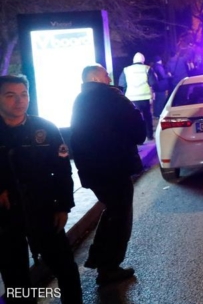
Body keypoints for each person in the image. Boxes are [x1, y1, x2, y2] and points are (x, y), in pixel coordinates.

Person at [0, 75, 83, 304]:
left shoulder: (44, 128)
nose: (19, 101)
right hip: (6, 216)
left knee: (65, 268)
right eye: (10, 95)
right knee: (14, 276)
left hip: (43, 208)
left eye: (23, 94)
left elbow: (63, 170)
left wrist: (64, 206)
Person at [70, 65, 146, 286]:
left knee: (112, 210)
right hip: (115, 167)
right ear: (95, 77)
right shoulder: (112, 97)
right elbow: (139, 131)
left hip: (94, 169)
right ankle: (109, 267)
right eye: (105, 75)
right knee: (120, 217)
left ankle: (99, 258)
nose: (109, 78)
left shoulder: (80, 99)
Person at [118, 52, 157, 141]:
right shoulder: (147, 68)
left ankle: (136, 138)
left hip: (131, 98)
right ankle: (149, 135)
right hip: (145, 98)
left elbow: (122, 83)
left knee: (134, 118)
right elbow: (153, 82)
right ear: (143, 60)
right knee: (147, 117)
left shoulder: (126, 69)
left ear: (133, 60)